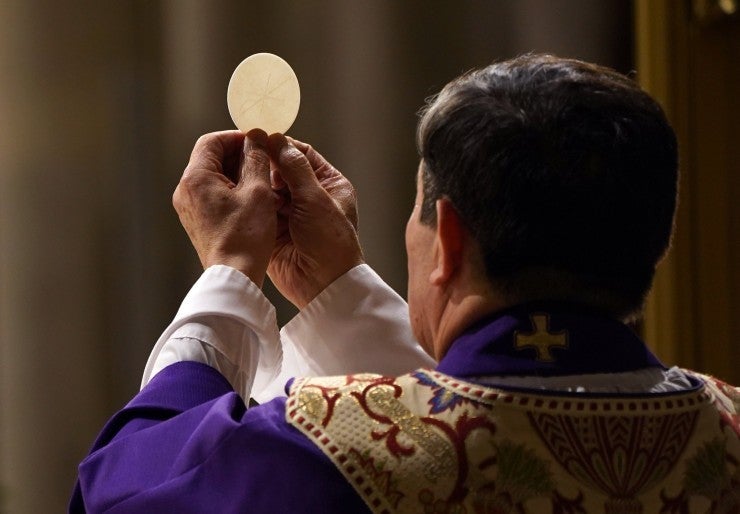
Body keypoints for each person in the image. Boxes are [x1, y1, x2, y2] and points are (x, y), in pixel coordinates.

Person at [70, 54, 740, 513]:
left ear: (445, 236)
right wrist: (339, 291)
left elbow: (124, 491)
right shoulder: (729, 436)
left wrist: (227, 272)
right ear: (660, 239)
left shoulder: (328, 452)